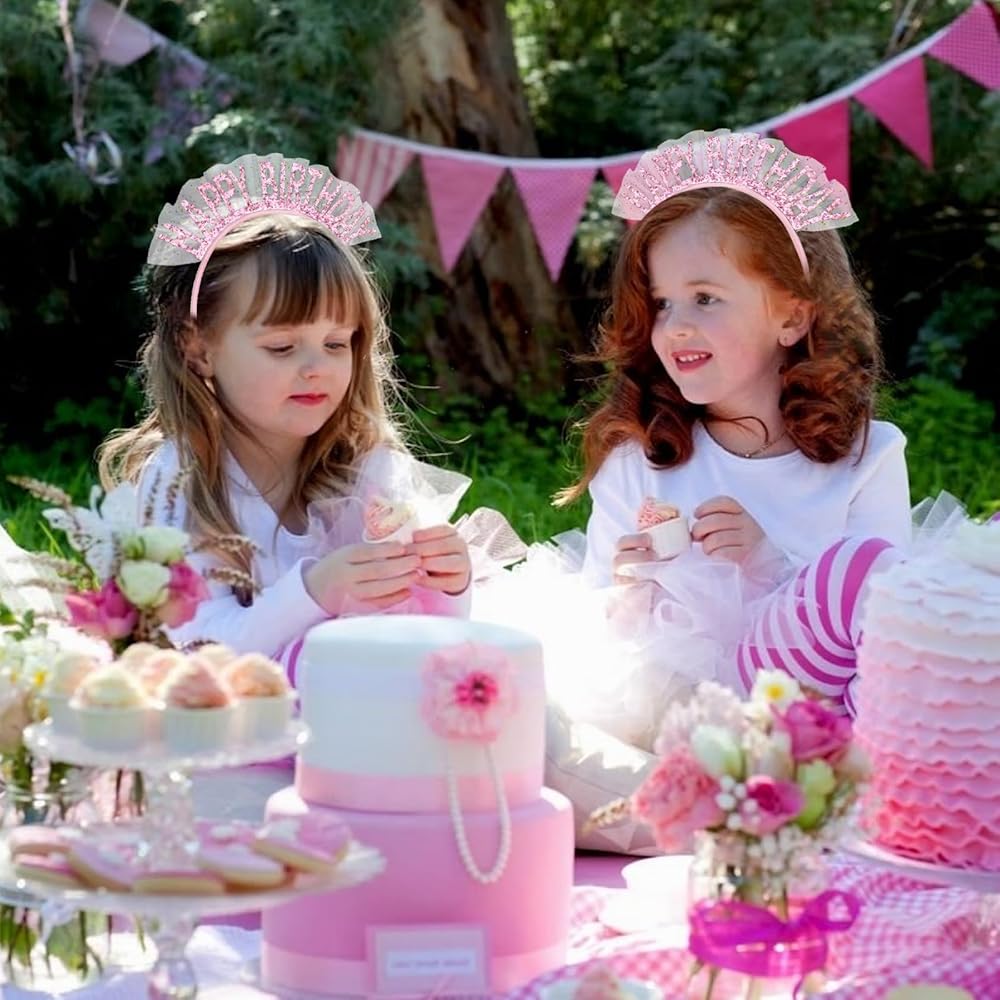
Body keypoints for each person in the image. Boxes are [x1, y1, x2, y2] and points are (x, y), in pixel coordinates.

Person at [557, 128, 911, 724]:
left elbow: (885, 625)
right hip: (679, 719)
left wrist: (769, 565)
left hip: (824, 721)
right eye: (662, 303)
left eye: (705, 298)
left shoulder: (867, 456)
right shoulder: (640, 461)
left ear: (792, 318)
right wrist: (626, 592)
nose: (675, 326)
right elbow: (601, 640)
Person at [98, 152, 473, 680]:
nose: (316, 368)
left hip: (355, 698)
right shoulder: (183, 480)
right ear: (198, 349)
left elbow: (422, 636)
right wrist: (314, 591)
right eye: (282, 347)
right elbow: (196, 646)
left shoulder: (363, 465)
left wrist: (447, 585)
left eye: (337, 343)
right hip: (238, 708)